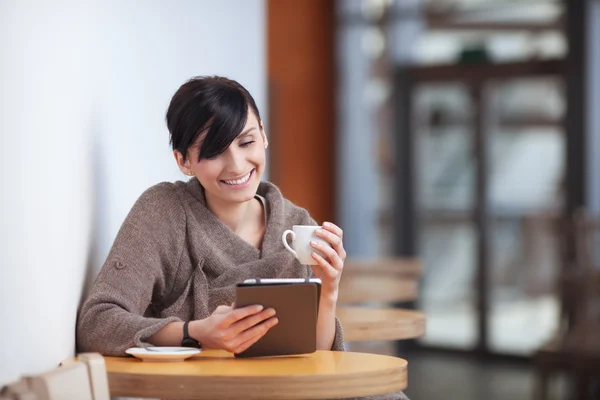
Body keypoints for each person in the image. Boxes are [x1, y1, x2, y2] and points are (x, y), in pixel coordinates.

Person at [77, 76, 408, 400]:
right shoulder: (163, 212)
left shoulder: (296, 223)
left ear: (263, 134)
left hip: (290, 392)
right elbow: (97, 322)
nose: (236, 165)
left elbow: (316, 356)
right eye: (213, 152)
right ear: (183, 161)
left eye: (246, 142)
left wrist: (329, 290)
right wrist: (194, 333)